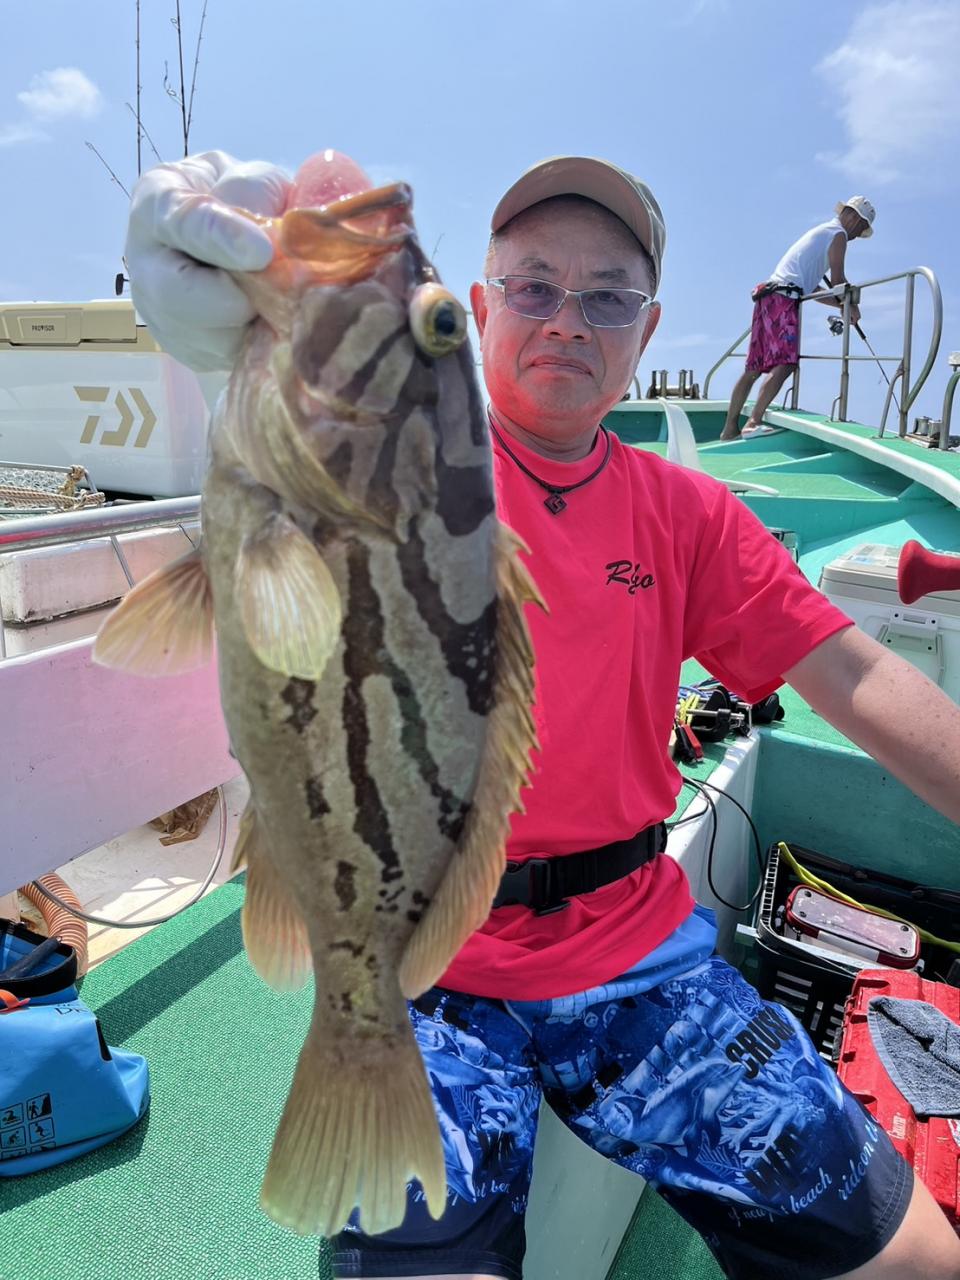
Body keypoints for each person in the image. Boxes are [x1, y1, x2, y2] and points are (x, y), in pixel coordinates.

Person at [124, 152, 960, 1280]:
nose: (568, 318)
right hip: (430, 972)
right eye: (534, 286)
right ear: (480, 310)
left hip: (643, 954)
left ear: (647, 330)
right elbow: (306, 448)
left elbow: (856, 674)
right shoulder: (402, 466)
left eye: (607, 296)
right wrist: (230, 316)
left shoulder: (692, 513)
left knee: (918, 1262)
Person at [719, 197, 876, 441]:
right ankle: (753, 423)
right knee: (786, 363)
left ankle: (729, 429)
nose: (857, 236)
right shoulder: (838, 235)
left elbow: (812, 290)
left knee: (754, 367)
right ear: (853, 218)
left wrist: (841, 306)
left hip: (768, 296)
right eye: (861, 228)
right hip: (784, 299)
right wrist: (851, 304)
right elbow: (838, 281)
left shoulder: (823, 232)